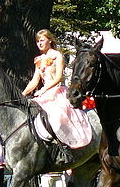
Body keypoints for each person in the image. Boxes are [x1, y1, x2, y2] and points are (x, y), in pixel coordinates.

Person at [22, 29, 92, 163]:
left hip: (57, 92)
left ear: (49, 40)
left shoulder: (57, 56)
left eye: (42, 40)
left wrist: (43, 90)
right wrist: (24, 93)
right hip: (44, 93)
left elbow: (58, 77)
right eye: (37, 41)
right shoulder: (39, 60)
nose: (39, 43)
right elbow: (35, 80)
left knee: (57, 119)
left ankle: (64, 150)